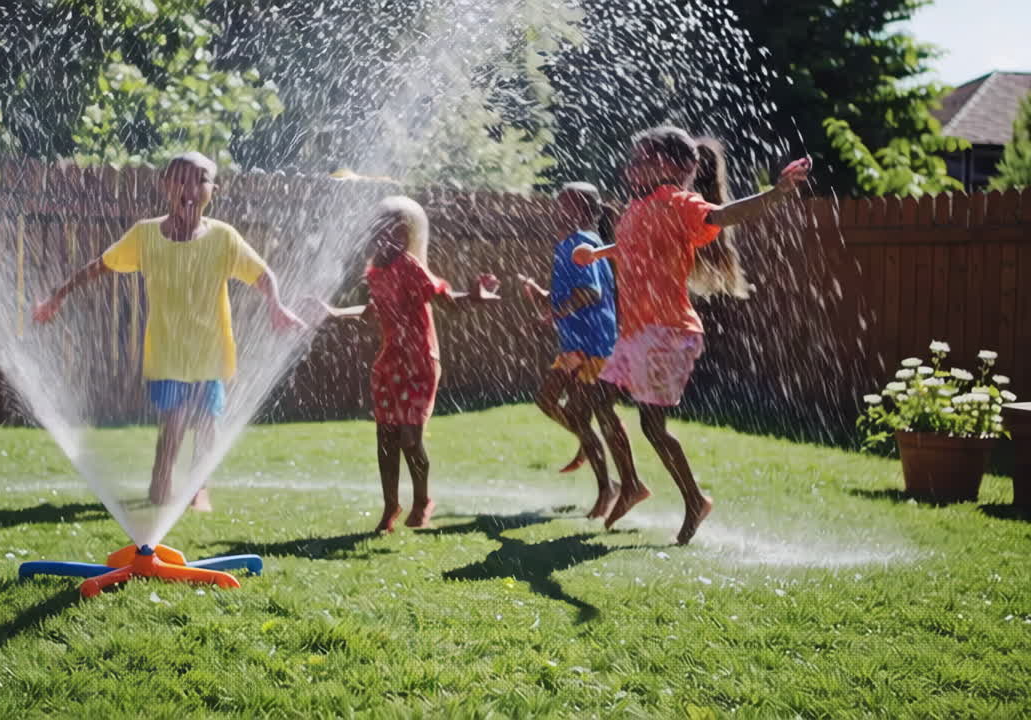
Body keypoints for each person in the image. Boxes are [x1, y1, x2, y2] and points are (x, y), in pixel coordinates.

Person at [574, 126, 810, 543]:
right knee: (597, 399)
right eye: (633, 158)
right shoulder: (638, 206)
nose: (633, 166)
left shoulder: (680, 202)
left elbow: (721, 215)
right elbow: (633, 246)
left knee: (653, 426)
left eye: (644, 158)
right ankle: (630, 484)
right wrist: (599, 253)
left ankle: (694, 500)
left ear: (679, 167)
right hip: (637, 331)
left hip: (667, 332)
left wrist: (775, 194)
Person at [32, 152, 303, 509]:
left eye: (200, 179)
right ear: (165, 186)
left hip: (211, 351)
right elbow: (100, 266)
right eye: (179, 179)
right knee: (173, 425)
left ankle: (197, 489)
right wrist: (57, 297)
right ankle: (160, 487)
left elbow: (263, 274)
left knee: (207, 425)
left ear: (213, 190)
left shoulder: (224, 239)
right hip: (167, 353)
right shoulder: (146, 235)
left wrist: (276, 304)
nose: (189, 188)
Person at [313, 196, 499, 533]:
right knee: (386, 439)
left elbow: (446, 304)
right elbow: (374, 313)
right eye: (385, 232)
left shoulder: (411, 266)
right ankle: (390, 507)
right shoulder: (376, 272)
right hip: (390, 363)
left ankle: (422, 500)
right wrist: (335, 314)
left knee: (410, 438)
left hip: (421, 363)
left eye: (399, 233)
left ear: (406, 236)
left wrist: (472, 297)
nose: (392, 239)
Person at [517, 183, 640, 522]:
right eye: (558, 204)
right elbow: (573, 296)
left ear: (583, 211)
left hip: (593, 347)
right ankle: (595, 457)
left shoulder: (581, 243)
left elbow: (589, 291)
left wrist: (551, 315)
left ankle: (611, 486)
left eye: (564, 205)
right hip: (577, 345)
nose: (557, 209)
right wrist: (542, 296)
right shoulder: (572, 244)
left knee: (597, 416)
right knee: (550, 401)